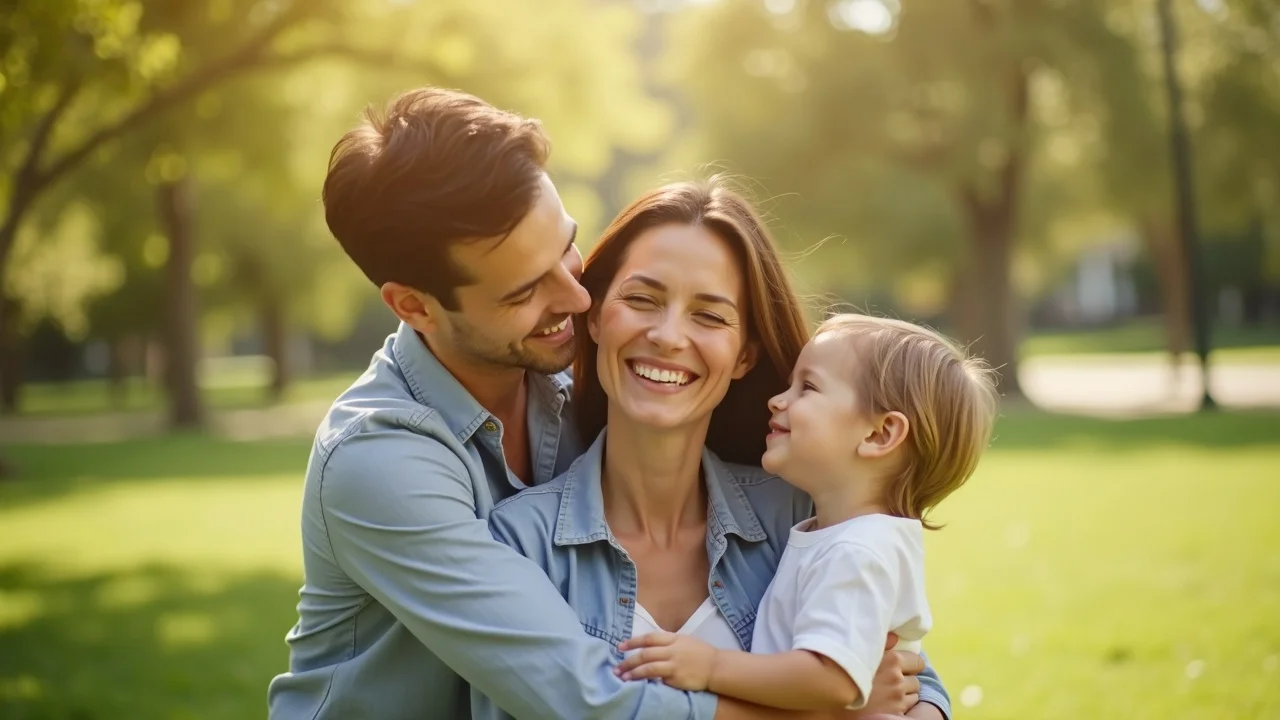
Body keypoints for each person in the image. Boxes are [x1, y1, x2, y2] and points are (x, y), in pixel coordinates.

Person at [267, 86, 945, 720]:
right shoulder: (379, 461)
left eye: (567, 248)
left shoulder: (638, 426)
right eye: (524, 291)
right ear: (415, 307)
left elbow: (884, 655)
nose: (577, 296)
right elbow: (585, 697)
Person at [485, 181, 952, 720]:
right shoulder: (521, 542)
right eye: (642, 299)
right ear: (594, 318)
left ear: (744, 355)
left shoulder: (800, 516)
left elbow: (910, 678)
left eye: (708, 315)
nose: (668, 336)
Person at [613, 314, 998, 714]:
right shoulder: (839, 537)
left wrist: (710, 666)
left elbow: (830, 679)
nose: (777, 400)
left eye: (808, 387)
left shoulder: (857, 552)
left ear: (879, 434)